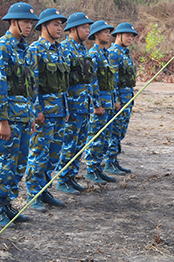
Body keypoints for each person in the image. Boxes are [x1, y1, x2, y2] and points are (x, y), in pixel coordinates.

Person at [0, 2, 38, 227]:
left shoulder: (25, 49)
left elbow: (30, 86)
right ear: (13, 22)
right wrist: (3, 121)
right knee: (6, 163)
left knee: (19, 165)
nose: (29, 26)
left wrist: (32, 115)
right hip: (9, 119)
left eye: (31, 22)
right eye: (25, 22)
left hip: (24, 117)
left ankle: (8, 203)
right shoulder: (1, 48)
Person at [24, 8, 70, 211]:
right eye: (55, 24)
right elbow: (31, 84)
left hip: (60, 111)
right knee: (39, 154)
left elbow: (63, 83)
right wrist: (37, 110)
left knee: (53, 154)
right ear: (43, 26)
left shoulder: (60, 50)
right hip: (45, 113)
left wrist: (66, 107)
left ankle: (44, 190)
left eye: (60, 25)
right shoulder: (35, 50)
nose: (59, 28)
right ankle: (33, 194)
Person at [54, 12, 95, 194]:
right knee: (68, 144)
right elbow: (62, 81)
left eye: (88, 27)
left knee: (79, 144)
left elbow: (88, 79)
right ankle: (62, 179)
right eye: (84, 27)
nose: (88, 31)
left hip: (83, 105)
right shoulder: (65, 49)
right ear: (73, 29)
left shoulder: (83, 49)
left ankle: (71, 177)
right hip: (71, 105)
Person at [84, 20, 120, 185]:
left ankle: (98, 168)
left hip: (109, 103)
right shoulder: (93, 55)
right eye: (105, 32)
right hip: (100, 106)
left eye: (109, 32)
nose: (109, 34)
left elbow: (111, 81)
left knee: (105, 138)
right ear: (96, 35)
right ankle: (91, 170)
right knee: (96, 138)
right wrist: (96, 104)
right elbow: (92, 82)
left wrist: (114, 100)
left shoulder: (106, 55)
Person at [105, 22, 138, 175]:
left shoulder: (125, 53)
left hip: (127, 98)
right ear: (118, 35)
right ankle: (109, 162)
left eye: (132, 36)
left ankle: (114, 160)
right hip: (119, 101)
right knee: (114, 131)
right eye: (127, 35)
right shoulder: (113, 53)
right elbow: (113, 79)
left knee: (120, 132)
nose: (130, 38)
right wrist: (116, 100)